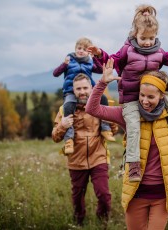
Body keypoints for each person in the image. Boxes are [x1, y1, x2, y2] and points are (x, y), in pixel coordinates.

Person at [85, 51, 168, 229]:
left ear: (162, 95)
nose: (144, 101)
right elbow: (92, 109)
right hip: (135, 192)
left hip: (162, 195)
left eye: (150, 97)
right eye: (141, 95)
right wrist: (102, 83)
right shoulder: (127, 114)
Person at [88, 4, 168, 183]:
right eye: (143, 38)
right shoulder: (126, 51)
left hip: (153, 93)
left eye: (151, 38)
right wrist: (99, 54)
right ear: (135, 34)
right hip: (130, 98)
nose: (147, 42)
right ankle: (134, 163)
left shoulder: (159, 52)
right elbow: (111, 60)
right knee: (134, 127)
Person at [51, 73, 118, 227]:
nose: (82, 92)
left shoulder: (100, 105)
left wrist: (109, 120)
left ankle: (103, 221)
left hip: (98, 157)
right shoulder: (65, 109)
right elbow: (55, 137)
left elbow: (113, 131)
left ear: (91, 88)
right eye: (78, 88)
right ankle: (79, 221)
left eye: (85, 88)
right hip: (76, 161)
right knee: (77, 196)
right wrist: (62, 125)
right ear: (73, 91)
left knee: (104, 195)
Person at [53, 37, 115, 155]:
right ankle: (69, 139)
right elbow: (55, 73)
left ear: (89, 52)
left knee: (103, 99)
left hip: (88, 90)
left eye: (85, 49)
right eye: (79, 48)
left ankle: (105, 128)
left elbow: (99, 70)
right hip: (71, 90)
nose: (81, 51)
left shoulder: (89, 61)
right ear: (75, 48)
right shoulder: (69, 60)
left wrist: (95, 58)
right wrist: (63, 64)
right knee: (68, 108)